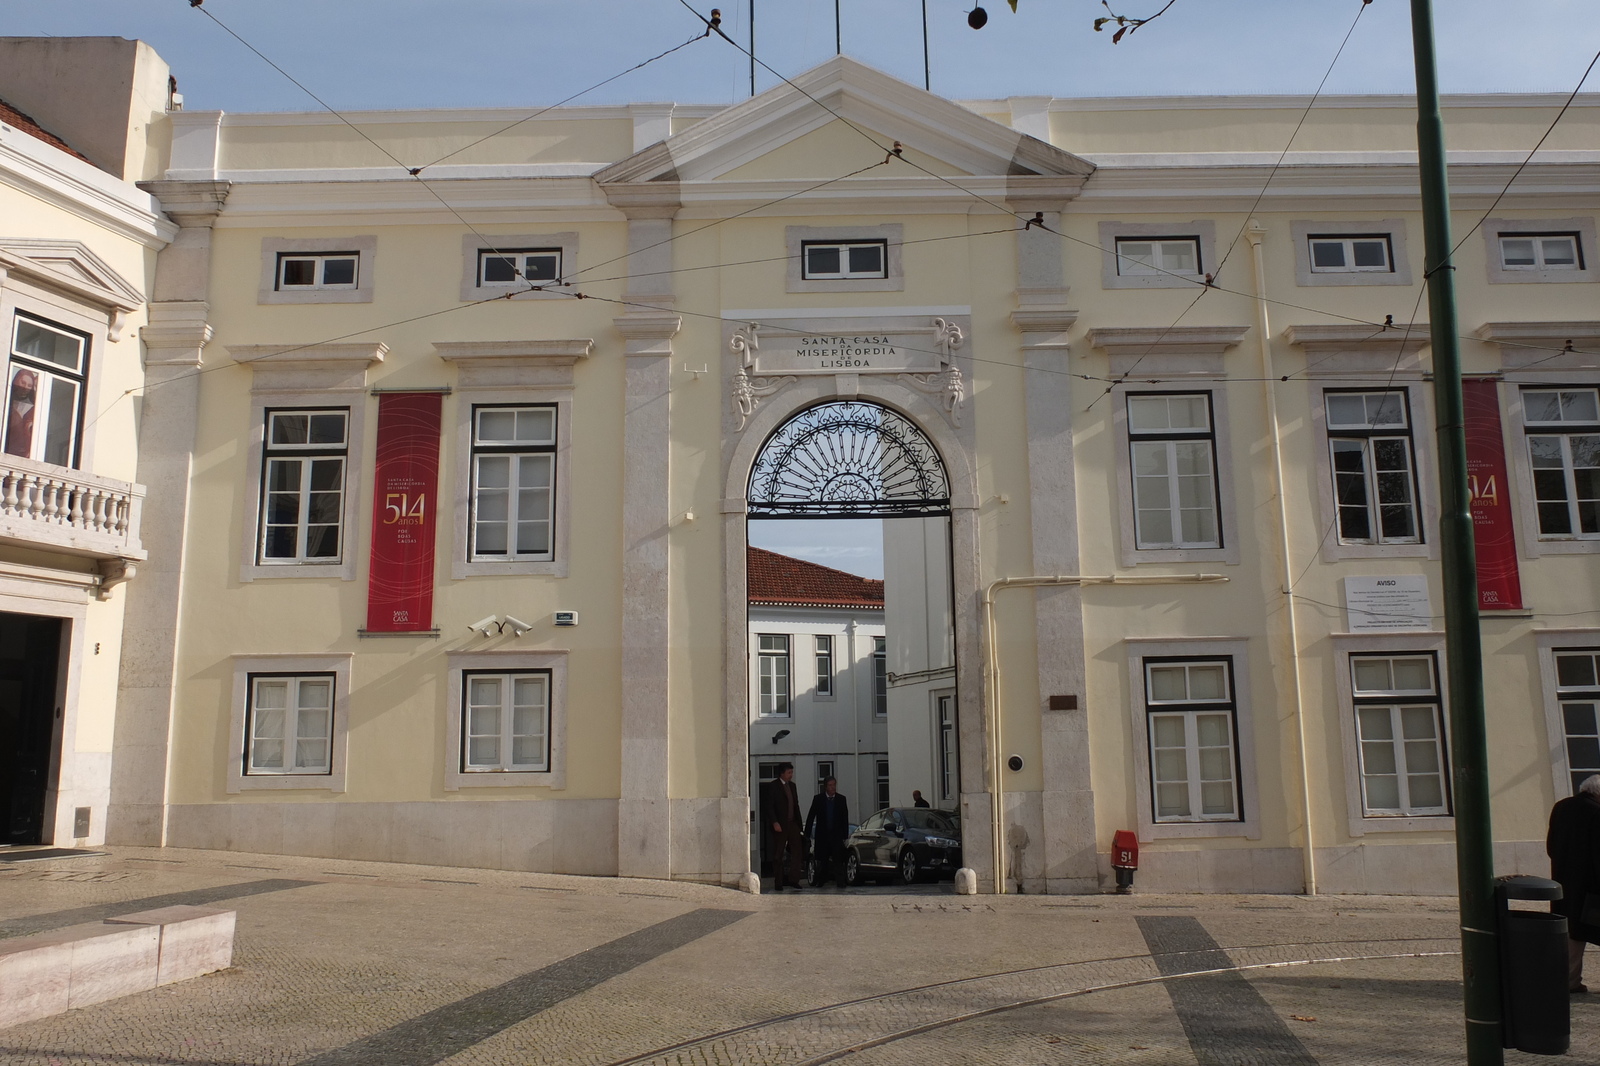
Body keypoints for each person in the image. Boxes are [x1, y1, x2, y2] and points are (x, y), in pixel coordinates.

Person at [1547, 774, 1600, 992]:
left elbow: (1550, 846)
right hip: (1592, 885)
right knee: (1590, 928)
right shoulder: (1597, 812)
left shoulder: (1561, 807)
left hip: (1564, 879)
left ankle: (1569, 981)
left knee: (1571, 932)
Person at [760, 763, 805, 892]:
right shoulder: (773, 786)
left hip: (793, 823)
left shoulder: (793, 786)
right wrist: (774, 822)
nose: (791, 775)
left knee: (797, 851)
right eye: (789, 772)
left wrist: (799, 824)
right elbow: (769, 806)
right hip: (780, 824)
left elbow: (796, 805)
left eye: (792, 772)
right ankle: (778, 882)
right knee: (778, 854)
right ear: (782, 773)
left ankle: (794, 879)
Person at [805, 777, 850, 887]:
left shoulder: (841, 799)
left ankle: (840, 881)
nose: (832, 787)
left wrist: (845, 835)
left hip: (836, 835)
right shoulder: (818, 799)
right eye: (830, 785)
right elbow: (811, 816)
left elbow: (845, 817)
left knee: (838, 859)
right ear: (825, 787)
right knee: (823, 860)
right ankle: (821, 880)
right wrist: (807, 833)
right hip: (823, 834)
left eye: (834, 784)